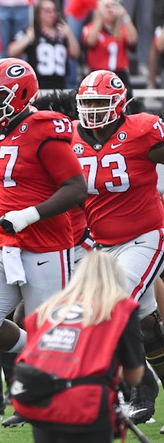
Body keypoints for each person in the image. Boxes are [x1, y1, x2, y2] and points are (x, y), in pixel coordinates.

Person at [0, 59, 86, 389]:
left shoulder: (45, 127)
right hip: (5, 246)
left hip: (46, 247)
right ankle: (39, 352)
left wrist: (29, 215)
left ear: (21, 93)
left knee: (51, 334)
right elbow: (3, 189)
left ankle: (84, 386)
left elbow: (75, 188)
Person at [0, 250, 144, 443]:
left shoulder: (51, 308)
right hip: (80, 402)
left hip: (34, 396)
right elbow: (134, 375)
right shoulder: (120, 308)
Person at [70, 70, 164, 424]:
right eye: (88, 103)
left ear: (120, 104)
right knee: (147, 325)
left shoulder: (143, 130)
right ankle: (147, 385)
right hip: (102, 245)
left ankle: (140, 389)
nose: (93, 111)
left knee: (115, 307)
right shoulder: (71, 138)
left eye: (100, 102)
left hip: (146, 236)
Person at [7, 0, 80, 90]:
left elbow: (75, 54)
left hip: (60, 85)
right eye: (47, 11)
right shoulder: (31, 32)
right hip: (38, 85)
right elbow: (11, 51)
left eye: (54, 11)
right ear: (38, 14)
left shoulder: (63, 33)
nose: (52, 14)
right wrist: (27, 39)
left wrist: (70, 35)